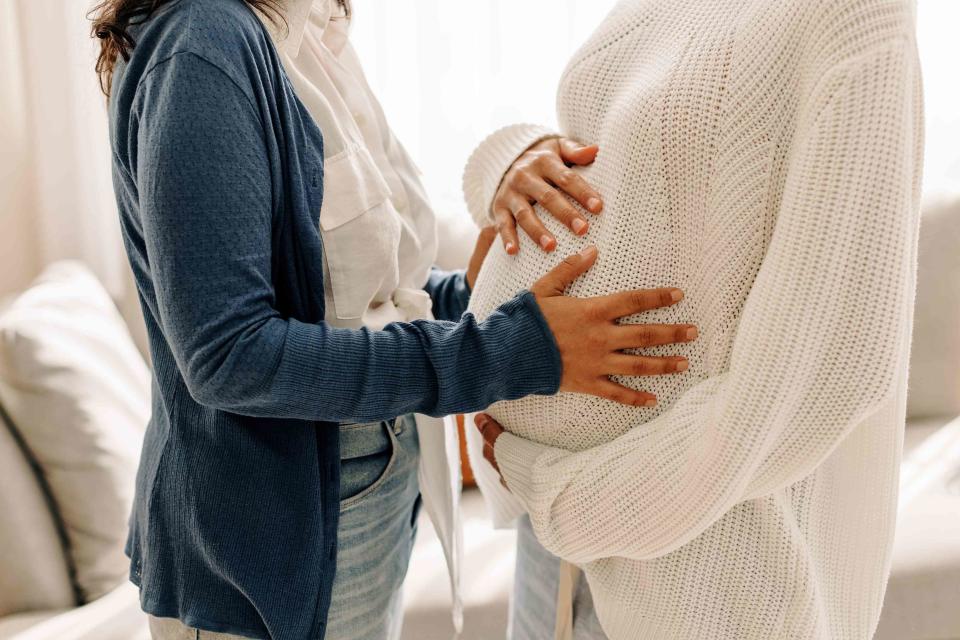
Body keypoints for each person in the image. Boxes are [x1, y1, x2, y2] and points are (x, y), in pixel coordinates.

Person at [90, 0, 697, 638]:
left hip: (367, 485)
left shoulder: (310, 34)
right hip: (274, 523)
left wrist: (477, 293)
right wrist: (507, 350)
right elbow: (230, 356)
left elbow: (355, 299)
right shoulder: (203, 45)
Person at [465, 0, 924, 638]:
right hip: (558, 552)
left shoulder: (855, 16)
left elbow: (824, 376)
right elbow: (622, 142)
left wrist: (560, 493)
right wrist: (514, 158)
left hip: (702, 573)